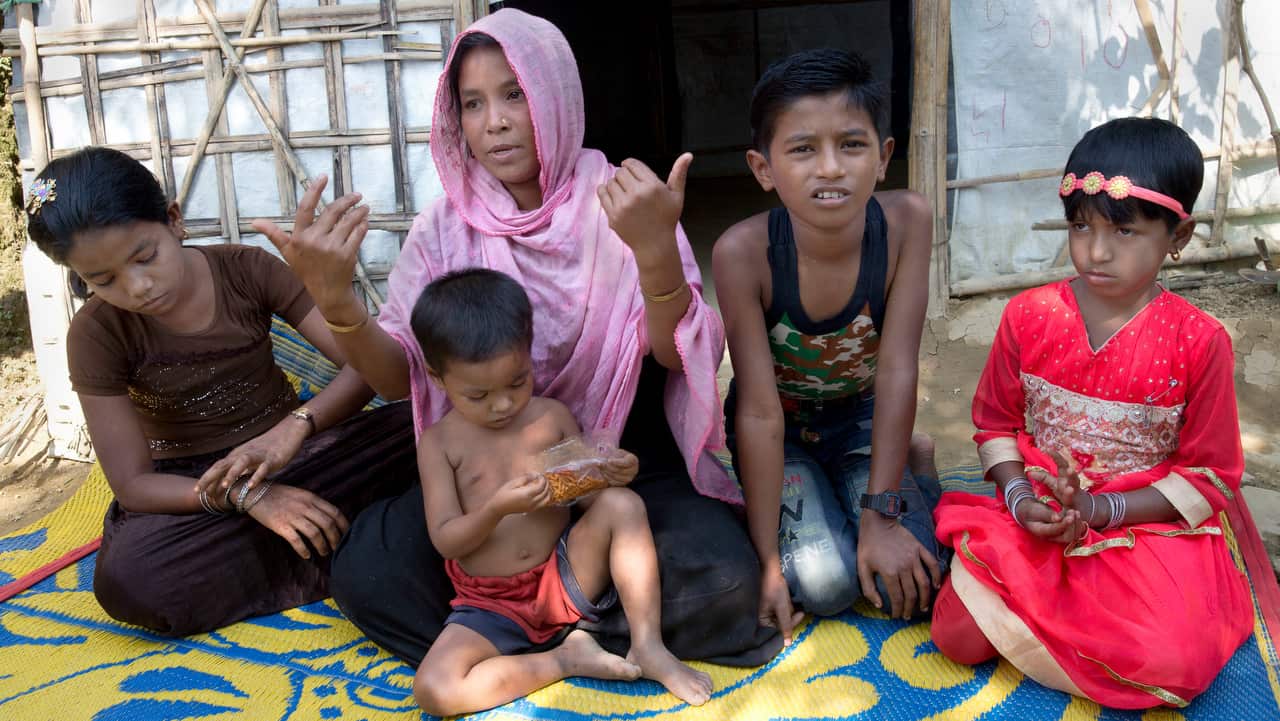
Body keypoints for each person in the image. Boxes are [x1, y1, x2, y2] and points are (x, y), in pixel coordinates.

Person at [254, 8, 778, 666]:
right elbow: (397, 378)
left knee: (726, 581)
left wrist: (654, 256)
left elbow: (677, 354)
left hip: (614, 445)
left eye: (514, 95)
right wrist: (337, 304)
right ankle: (580, 624)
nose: (493, 122)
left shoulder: (621, 199)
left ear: (555, 97)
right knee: (368, 573)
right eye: (472, 103)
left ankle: (512, 627)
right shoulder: (444, 229)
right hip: (488, 476)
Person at [24, 146, 416, 635]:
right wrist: (250, 496)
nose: (138, 287)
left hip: (303, 454)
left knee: (430, 425)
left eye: (145, 257)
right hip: (201, 489)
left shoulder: (246, 270)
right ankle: (364, 540)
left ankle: (341, 538)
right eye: (102, 280)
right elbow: (133, 484)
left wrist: (296, 426)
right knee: (132, 578)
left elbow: (369, 369)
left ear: (174, 221)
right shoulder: (97, 333)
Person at [930, 117, 1252, 708]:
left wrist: (1103, 509)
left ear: (1178, 236)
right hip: (1042, 510)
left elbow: (1210, 476)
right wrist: (1019, 499)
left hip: (1144, 525)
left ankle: (1050, 621)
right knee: (955, 636)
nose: (1095, 251)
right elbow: (996, 424)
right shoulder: (1029, 316)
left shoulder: (1199, 342)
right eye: (1081, 226)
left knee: (1173, 663)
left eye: (1124, 230)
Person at [712, 48, 947, 644]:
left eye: (851, 144)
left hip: (863, 416)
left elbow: (896, 370)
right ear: (763, 168)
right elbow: (759, 413)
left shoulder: (906, 223)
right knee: (825, 585)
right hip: (783, 432)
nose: (831, 168)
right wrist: (768, 561)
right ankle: (841, 493)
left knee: (911, 584)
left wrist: (882, 516)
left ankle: (912, 471)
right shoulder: (744, 254)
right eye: (802, 149)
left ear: (883, 157)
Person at [406, 268, 712, 714]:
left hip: (565, 577)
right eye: (479, 395)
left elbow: (586, 498)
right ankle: (564, 659)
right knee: (434, 690)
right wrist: (495, 510)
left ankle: (648, 644)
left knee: (622, 504)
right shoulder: (440, 444)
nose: (503, 404)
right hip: (489, 603)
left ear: (530, 355)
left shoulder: (551, 417)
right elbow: (446, 540)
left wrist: (609, 473)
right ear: (437, 378)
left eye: (517, 382)